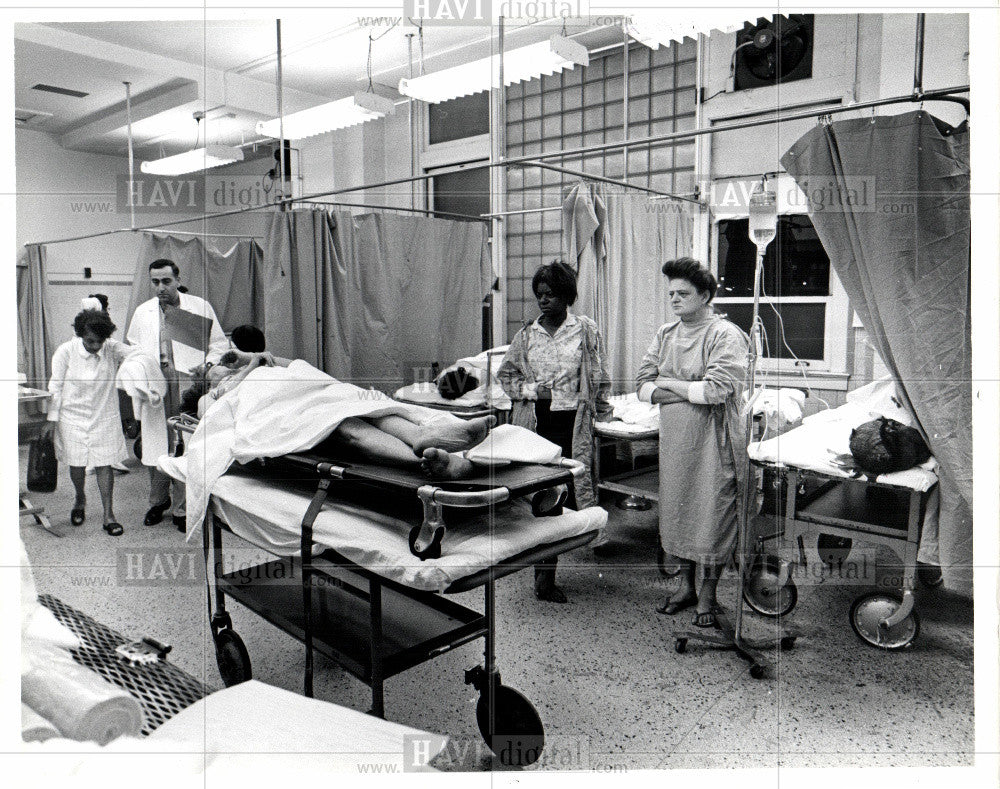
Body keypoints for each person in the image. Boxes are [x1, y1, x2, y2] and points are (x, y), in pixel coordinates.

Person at [635, 257, 749, 628]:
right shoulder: (666, 335)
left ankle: (708, 594)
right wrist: (684, 390)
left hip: (713, 442)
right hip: (677, 443)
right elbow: (641, 387)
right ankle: (685, 586)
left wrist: (666, 383)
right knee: (681, 511)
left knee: (711, 516)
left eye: (683, 293)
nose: (675, 299)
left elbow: (717, 390)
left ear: (705, 295)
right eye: (671, 293)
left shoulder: (724, 335)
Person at [497, 260, 612, 602]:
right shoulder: (526, 335)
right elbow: (506, 377)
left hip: (572, 424)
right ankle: (544, 580)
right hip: (537, 423)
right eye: (540, 295)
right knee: (543, 498)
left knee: (572, 494)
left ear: (567, 295)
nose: (544, 300)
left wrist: (604, 412)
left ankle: (557, 562)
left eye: (551, 294)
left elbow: (600, 374)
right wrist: (533, 391)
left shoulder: (585, 331)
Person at [194, 349, 493, 479]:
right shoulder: (212, 396)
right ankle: (431, 463)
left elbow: (299, 368)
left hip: (312, 393)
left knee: (368, 407)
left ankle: (422, 435)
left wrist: (250, 358)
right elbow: (213, 423)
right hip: (282, 411)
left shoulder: (252, 366)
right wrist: (247, 370)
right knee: (346, 428)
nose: (217, 365)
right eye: (209, 368)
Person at [126, 259, 229, 530]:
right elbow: (133, 350)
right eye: (155, 282)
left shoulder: (199, 306)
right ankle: (157, 502)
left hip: (187, 382)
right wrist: (139, 376)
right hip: (156, 385)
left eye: (166, 281)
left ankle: (183, 509)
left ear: (177, 279)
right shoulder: (143, 312)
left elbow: (218, 345)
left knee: (185, 445)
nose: (160, 287)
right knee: (155, 445)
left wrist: (206, 365)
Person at [42, 303, 134, 535]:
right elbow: (56, 386)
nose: (95, 347)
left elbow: (138, 356)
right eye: (90, 341)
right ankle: (80, 498)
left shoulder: (111, 348)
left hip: (104, 416)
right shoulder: (65, 351)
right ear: (80, 334)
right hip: (71, 416)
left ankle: (108, 514)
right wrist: (51, 420)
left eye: (99, 342)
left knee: (105, 464)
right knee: (77, 463)